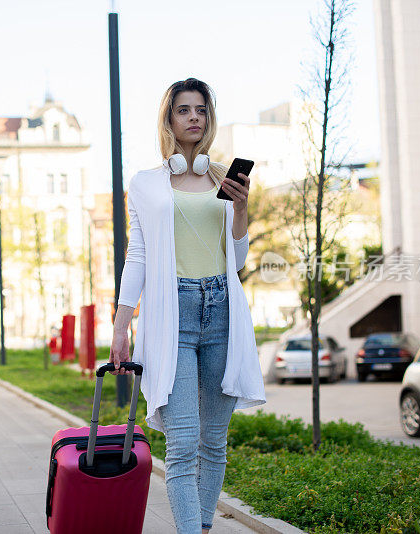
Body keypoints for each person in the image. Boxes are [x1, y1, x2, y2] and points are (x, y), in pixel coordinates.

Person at [109, 78, 266, 534]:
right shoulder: (146, 185)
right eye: (184, 110)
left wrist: (240, 211)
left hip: (222, 310)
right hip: (172, 313)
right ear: (169, 120)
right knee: (182, 442)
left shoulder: (223, 179)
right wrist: (121, 324)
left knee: (214, 442)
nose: (194, 117)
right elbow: (136, 255)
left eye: (201, 110)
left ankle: (201, 529)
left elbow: (236, 260)